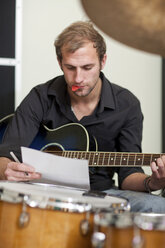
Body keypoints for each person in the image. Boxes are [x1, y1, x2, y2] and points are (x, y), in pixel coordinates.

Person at [0, 21, 165, 212]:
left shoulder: (127, 105)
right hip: (41, 191)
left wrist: (153, 182)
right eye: (70, 67)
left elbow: (128, 176)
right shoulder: (40, 96)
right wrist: (5, 169)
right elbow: (6, 152)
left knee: (157, 206)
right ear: (59, 62)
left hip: (102, 194)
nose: (78, 78)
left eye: (87, 67)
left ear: (103, 61)